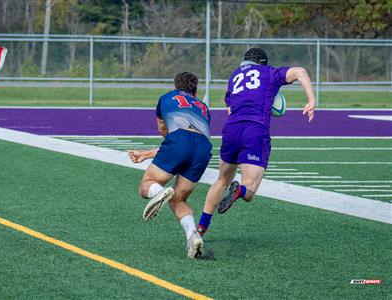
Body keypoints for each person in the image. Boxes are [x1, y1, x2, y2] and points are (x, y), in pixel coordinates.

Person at [197, 47, 316, 237]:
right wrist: (311, 100)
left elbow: (230, 108)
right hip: (254, 130)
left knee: (221, 180)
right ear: (262, 63)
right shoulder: (268, 72)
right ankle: (239, 191)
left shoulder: (234, 77)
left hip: (231, 129)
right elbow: (300, 71)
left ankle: (200, 229)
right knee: (249, 190)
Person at [128, 71, 212, 259]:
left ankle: (159, 192)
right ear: (196, 91)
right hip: (203, 150)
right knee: (178, 200)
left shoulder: (167, 97)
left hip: (178, 143)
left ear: (175, 86)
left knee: (146, 186)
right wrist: (146, 154)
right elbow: (192, 139)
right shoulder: (204, 107)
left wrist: (169, 148)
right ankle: (193, 236)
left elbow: (166, 131)